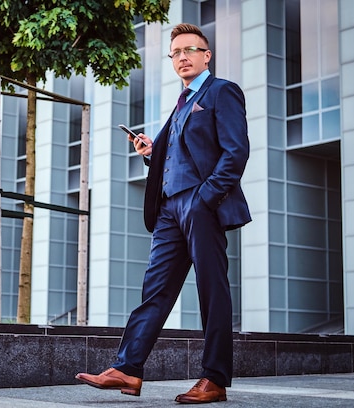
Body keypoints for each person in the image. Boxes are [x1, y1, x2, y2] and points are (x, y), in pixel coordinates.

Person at [75, 23, 251, 404]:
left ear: (207, 55)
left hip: (201, 204)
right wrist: (152, 153)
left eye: (191, 50)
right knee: (154, 291)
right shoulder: (181, 103)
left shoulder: (222, 91)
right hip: (170, 209)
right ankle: (128, 369)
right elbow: (180, 156)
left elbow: (235, 152)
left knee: (212, 290)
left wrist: (205, 197)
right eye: (176, 52)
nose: (183, 56)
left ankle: (215, 378)